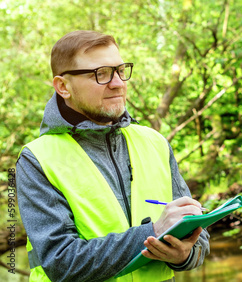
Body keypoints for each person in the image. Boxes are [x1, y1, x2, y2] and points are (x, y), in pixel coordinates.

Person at [16, 30, 210, 281]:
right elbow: (61, 262)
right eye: (101, 74)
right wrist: (152, 233)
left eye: (120, 70)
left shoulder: (155, 142)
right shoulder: (37, 159)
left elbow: (199, 239)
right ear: (63, 86)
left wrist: (184, 255)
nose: (118, 83)